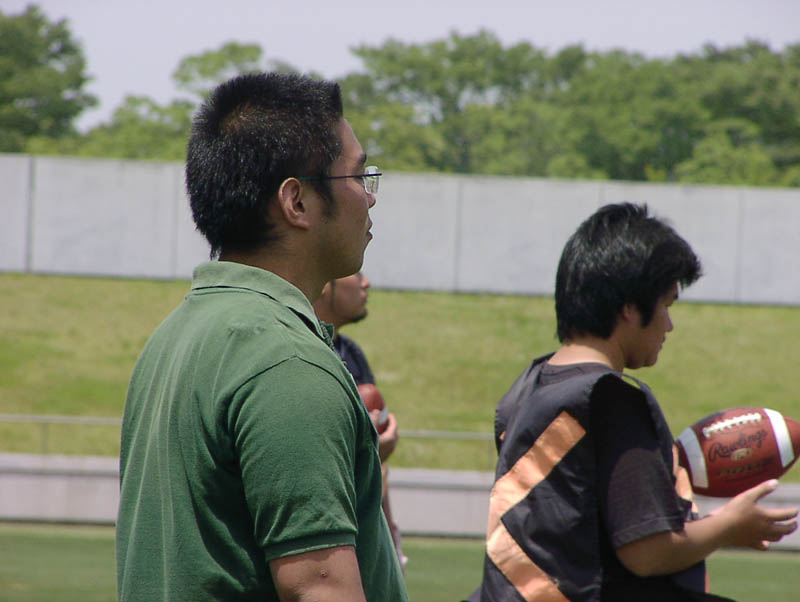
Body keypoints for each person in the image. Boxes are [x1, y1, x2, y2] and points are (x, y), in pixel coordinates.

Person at [116, 72, 409, 602]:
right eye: (357, 175)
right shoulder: (286, 362)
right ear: (296, 201)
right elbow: (321, 591)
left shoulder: (175, 335)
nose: (369, 197)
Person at [472, 203, 797, 602]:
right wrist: (729, 526)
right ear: (629, 307)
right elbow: (647, 552)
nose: (669, 324)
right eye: (666, 305)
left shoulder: (524, 393)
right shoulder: (611, 400)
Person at [313, 271, 408, 571]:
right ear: (326, 283)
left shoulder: (352, 353)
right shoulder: (303, 352)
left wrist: (389, 533)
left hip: (360, 526)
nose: (366, 283)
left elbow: (379, 466)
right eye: (358, 274)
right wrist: (368, 452)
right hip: (322, 538)